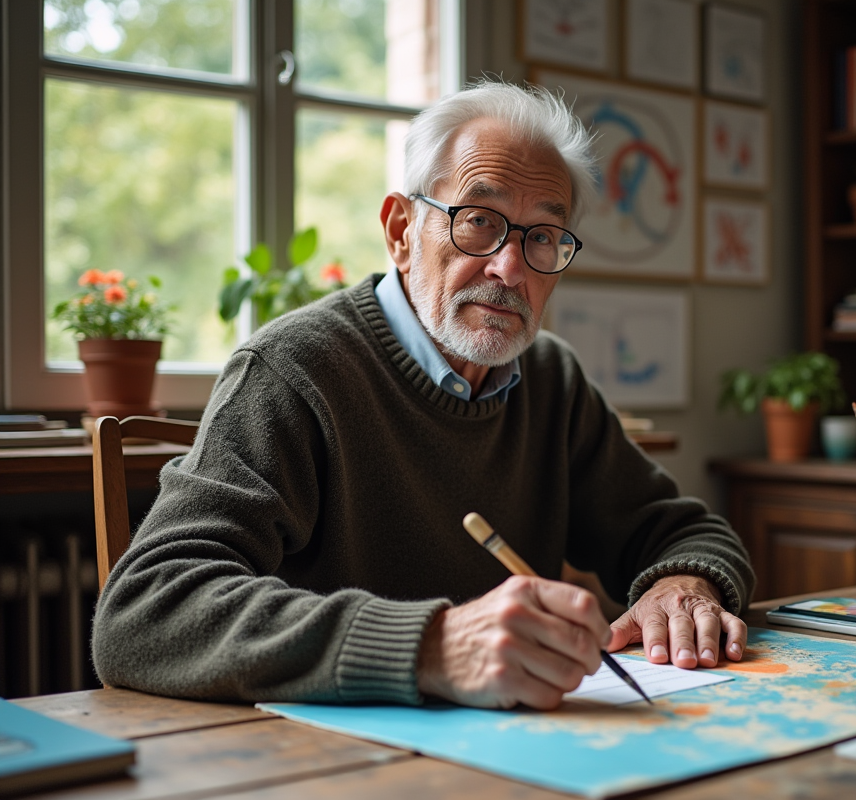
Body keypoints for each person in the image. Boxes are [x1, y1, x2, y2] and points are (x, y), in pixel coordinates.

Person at [92, 80, 754, 710]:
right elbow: (146, 611)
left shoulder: (552, 378)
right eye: (479, 221)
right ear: (401, 231)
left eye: (542, 236)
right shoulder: (295, 369)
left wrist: (683, 584)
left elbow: (684, 531)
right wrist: (432, 646)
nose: (510, 267)